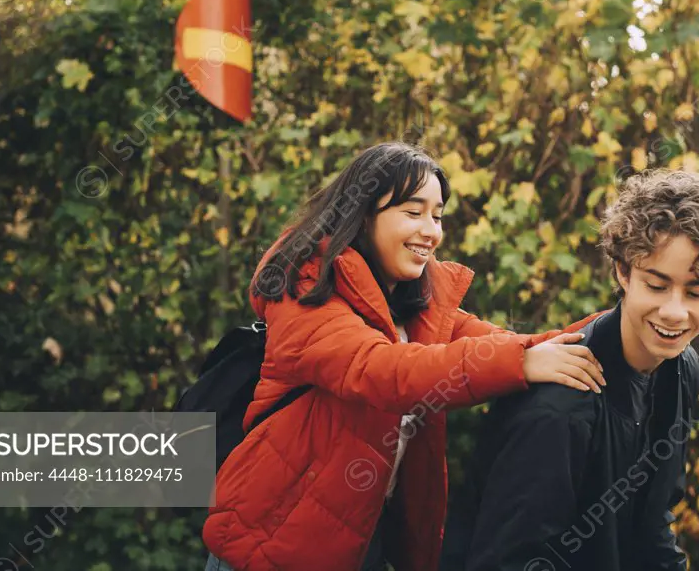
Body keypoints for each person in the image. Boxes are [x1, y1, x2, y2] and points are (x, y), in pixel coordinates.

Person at [201, 141, 609, 571]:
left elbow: (510, 344)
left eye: (437, 216)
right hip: (269, 546)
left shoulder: (417, 304)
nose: (431, 231)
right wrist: (519, 362)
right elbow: (383, 371)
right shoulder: (306, 286)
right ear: (362, 214)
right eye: (413, 213)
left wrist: (623, 325)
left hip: (362, 544)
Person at [440, 169, 699, 571]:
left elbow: (653, 525)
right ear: (623, 273)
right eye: (657, 286)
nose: (675, 312)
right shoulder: (559, 408)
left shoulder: (682, 368)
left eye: (697, 292)